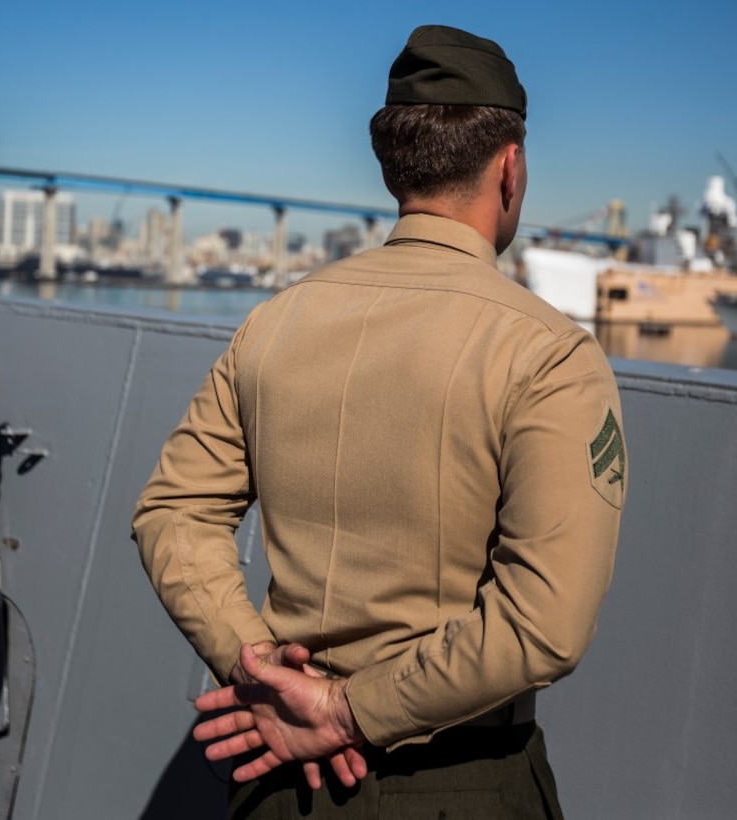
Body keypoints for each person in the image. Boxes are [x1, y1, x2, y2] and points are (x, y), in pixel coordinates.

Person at [133, 24, 627, 818]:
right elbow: (544, 624)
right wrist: (344, 711)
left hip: (277, 778)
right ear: (509, 168)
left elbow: (173, 510)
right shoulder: (547, 354)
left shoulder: (274, 323)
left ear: (393, 165)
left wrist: (253, 662)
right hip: (458, 779)